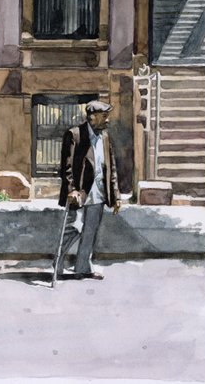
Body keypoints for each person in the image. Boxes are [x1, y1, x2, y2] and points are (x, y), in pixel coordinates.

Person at [56, 100, 121, 280]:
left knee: (90, 231)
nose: (107, 120)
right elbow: (67, 167)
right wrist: (71, 189)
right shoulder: (74, 135)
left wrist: (116, 196)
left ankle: (83, 267)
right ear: (93, 117)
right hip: (80, 192)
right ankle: (58, 262)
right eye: (104, 116)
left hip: (99, 191)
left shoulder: (105, 137)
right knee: (76, 227)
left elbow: (111, 168)